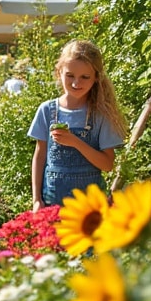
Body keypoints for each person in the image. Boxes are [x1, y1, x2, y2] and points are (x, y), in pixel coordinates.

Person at [29, 40, 128, 211]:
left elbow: (107, 164)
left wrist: (75, 141)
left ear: (96, 78)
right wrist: (37, 199)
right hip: (52, 203)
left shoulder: (100, 115)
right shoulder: (47, 110)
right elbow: (40, 156)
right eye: (70, 75)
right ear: (59, 72)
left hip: (90, 208)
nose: (76, 83)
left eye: (85, 77)